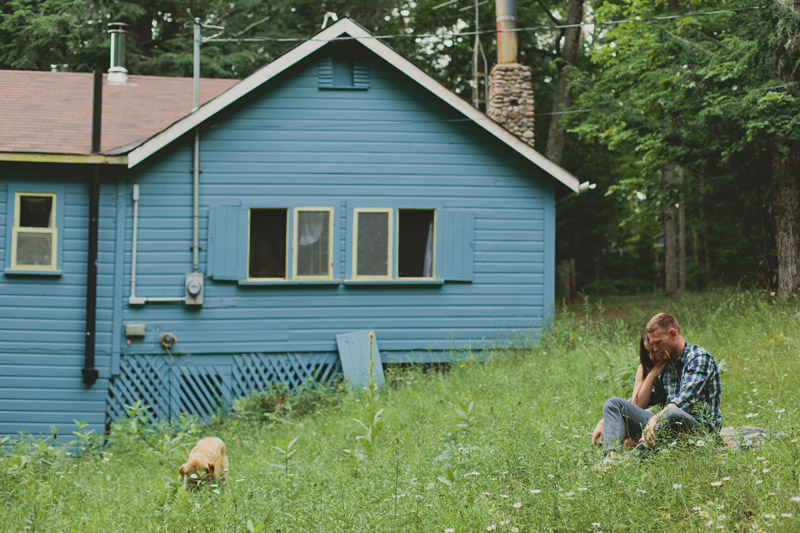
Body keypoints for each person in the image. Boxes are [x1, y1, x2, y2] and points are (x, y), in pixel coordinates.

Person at [595, 313, 722, 466]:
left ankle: (631, 461)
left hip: (700, 431)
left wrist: (655, 419)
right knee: (613, 404)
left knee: (672, 414)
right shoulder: (666, 363)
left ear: (673, 334)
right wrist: (607, 419)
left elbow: (682, 402)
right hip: (667, 426)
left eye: (657, 343)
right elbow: (641, 404)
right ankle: (611, 458)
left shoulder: (698, 358)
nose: (654, 350)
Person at [591, 331, 668, 448]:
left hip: (659, 418)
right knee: (618, 429)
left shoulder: (671, 367)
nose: (651, 356)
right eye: (647, 352)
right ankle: (610, 455)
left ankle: (614, 455)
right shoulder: (644, 368)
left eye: (654, 351)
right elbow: (637, 404)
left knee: (626, 439)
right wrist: (652, 375)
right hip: (643, 417)